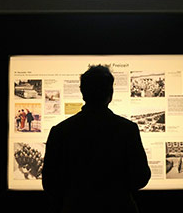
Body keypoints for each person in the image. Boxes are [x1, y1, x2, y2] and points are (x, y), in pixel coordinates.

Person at [43, 65, 151, 213]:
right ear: (110, 93)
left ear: (83, 93)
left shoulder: (60, 131)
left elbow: (50, 184)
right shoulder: (127, 129)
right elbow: (141, 177)